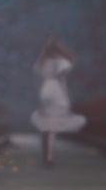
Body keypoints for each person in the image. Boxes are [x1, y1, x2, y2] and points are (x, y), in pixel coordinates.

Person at [30, 36, 86, 165]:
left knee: (46, 124)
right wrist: (66, 97)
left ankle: (46, 153)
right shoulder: (60, 61)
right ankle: (49, 156)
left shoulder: (43, 61)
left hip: (45, 89)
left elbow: (38, 77)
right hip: (55, 90)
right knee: (52, 124)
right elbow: (62, 80)